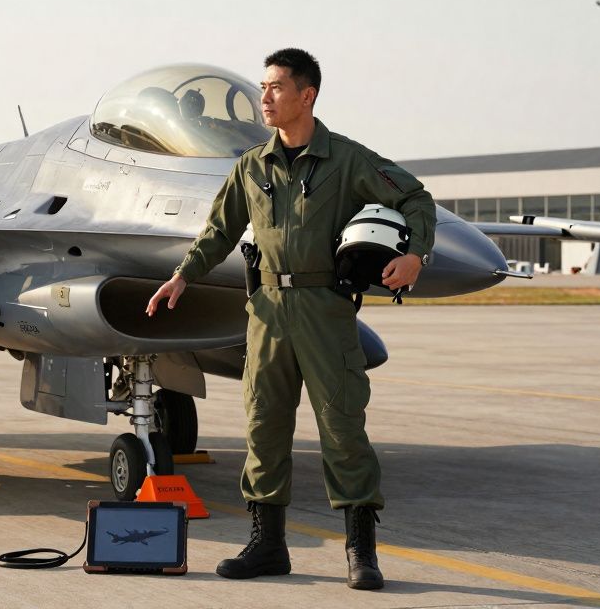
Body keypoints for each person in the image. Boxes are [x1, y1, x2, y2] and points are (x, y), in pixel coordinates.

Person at [145, 48, 435, 590]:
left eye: (277, 87)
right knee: (263, 430)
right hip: (267, 314)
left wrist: (415, 253)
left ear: (308, 95)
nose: (266, 97)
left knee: (343, 430)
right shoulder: (251, 165)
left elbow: (417, 198)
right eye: (263, 87)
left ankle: (360, 552)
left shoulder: (348, 160)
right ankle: (267, 546)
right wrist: (183, 275)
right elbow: (219, 230)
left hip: (325, 310)